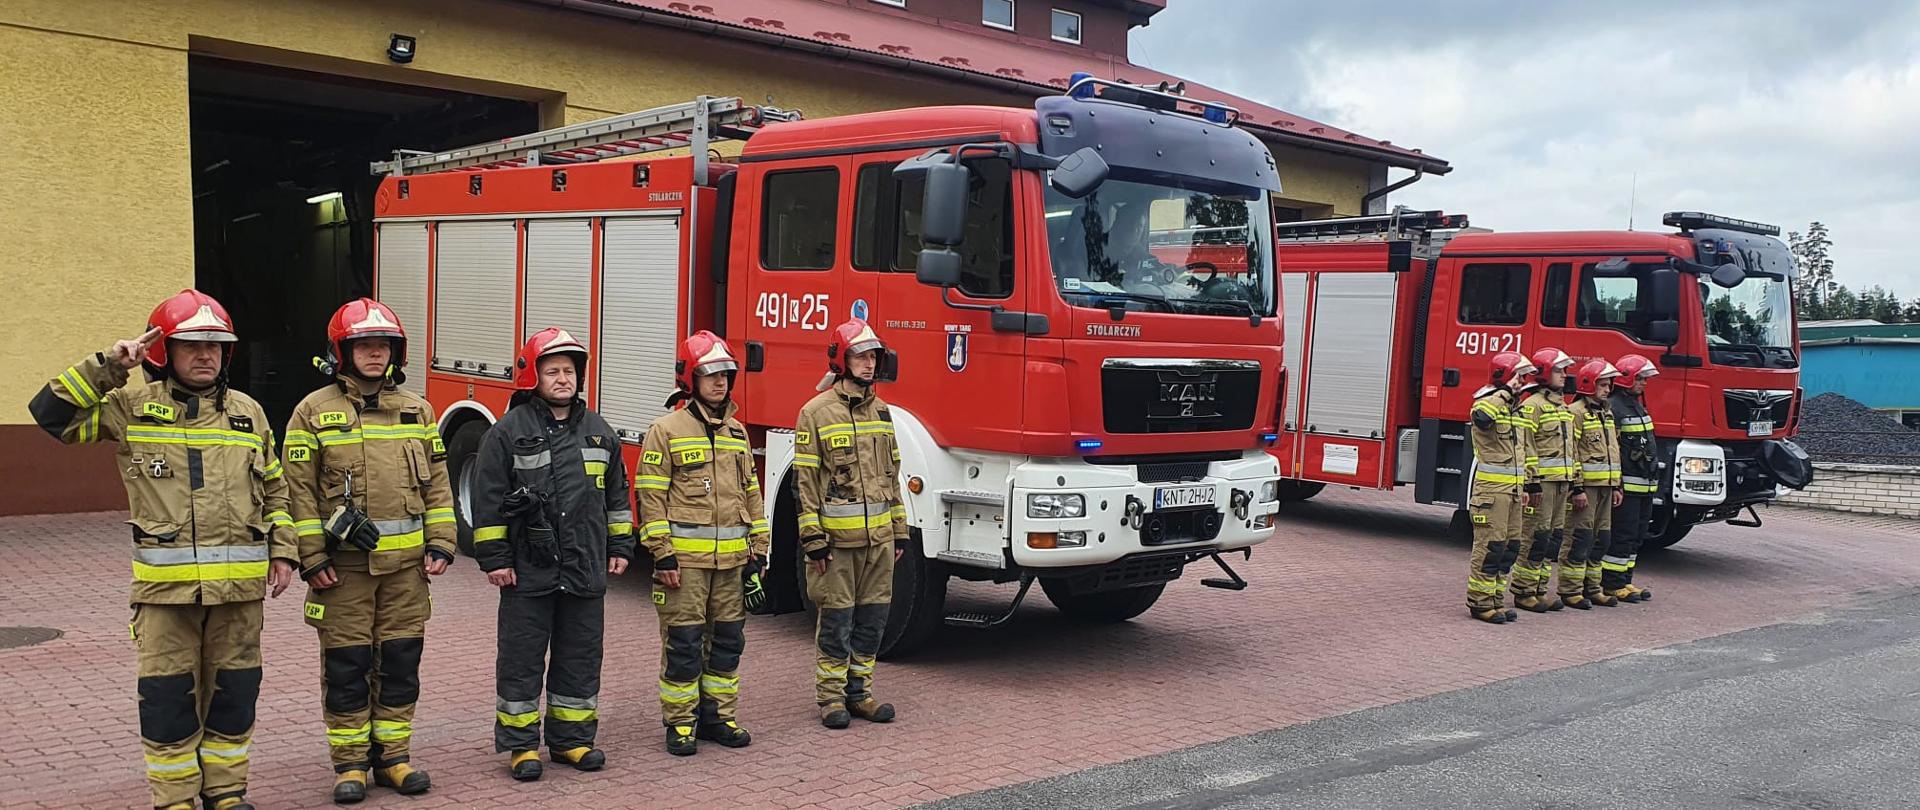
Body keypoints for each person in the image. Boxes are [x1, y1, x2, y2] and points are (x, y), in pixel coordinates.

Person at [27, 290, 295, 810]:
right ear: (163, 351)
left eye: (216, 346)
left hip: (239, 597)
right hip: (165, 597)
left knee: (234, 697)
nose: (205, 356)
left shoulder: (250, 414)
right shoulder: (130, 409)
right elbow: (50, 415)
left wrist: (283, 552)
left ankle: (226, 793)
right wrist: (110, 365)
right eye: (191, 345)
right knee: (169, 702)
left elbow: (276, 491)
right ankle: (174, 799)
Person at [282, 298, 454, 803]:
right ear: (343, 351)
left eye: (383, 345)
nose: (374, 354)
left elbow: (438, 486)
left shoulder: (417, 410)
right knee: (347, 668)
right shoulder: (312, 412)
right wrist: (311, 557)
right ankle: (350, 765)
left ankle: (394, 759)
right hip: (344, 573)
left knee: (400, 664)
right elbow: (298, 492)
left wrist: (442, 543)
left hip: (406, 573)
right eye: (364, 345)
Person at [469, 328, 634, 780]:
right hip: (528, 569)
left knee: (579, 657)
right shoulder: (508, 432)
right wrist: (496, 558)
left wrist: (620, 545)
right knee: (521, 659)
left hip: (583, 567)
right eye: (553, 371)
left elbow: (617, 496)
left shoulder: (599, 432)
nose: (563, 379)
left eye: (570, 371)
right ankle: (521, 746)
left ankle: (572, 742)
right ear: (533, 376)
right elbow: (488, 499)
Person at [634, 331, 769, 755]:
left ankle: (718, 717)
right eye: (710, 375)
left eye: (725, 375)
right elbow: (649, 498)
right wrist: (663, 555)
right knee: (684, 645)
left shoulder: (736, 432)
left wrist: (759, 548)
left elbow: (751, 492)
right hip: (685, 567)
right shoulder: (666, 430)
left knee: (727, 643)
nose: (719, 383)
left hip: (731, 565)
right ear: (690, 379)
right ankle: (679, 724)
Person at [792, 320, 910, 721]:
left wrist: (899, 533)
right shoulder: (815, 412)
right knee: (836, 622)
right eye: (861, 356)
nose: (869, 363)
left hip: (878, 542)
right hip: (837, 545)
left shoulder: (881, 411)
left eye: (873, 356)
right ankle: (831, 699)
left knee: (873, 621)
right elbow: (805, 482)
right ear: (842, 360)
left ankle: (861, 693)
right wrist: (813, 539)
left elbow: (891, 476)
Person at [1465, 351, 1536, 624]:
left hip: (1514, 493)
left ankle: (1495, 599)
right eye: (1518, 375)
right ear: (1504, 376)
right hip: (1491, 494)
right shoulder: (1486, 402)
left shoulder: (1515, 410)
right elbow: (1482, 417)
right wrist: (1505, 392)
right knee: (1490, 547)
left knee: (1509, 548)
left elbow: (1522, 453)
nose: (1524, 381)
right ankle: (1479, 603)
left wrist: (1527, 485)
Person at [1510, 348, 1578, 612]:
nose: (1565, 375)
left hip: (1562, 483)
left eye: (1565, 370)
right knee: (1535, 536)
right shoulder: (1532, 405)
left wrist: (1573, 481)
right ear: (1545, 372)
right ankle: (1523, 591)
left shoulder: (1561, 405)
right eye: (1559, 370)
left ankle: (1539, 590)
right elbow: (1526, 447)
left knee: (1552, 538)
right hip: (1544, 484)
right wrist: (1532, 483)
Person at [1561, 358, 1624, 609]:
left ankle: (1593, 588)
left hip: (1606, 488)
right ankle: (1570, 590)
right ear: (1589, 384)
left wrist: (1617, 485)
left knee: (1602, 539)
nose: (1608, 390)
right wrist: (1577, 488)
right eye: (1603, 385)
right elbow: (1572, 451)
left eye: (1609, 385)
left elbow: (1613, 451)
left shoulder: (1606, 413)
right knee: (1580, 538)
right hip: (1586, 488)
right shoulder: (1576, 412)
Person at [1605, 354, 1662, 604]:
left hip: (1644, 487)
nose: (1644, 383)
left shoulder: (1636, 405)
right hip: (1627, 487)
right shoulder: (1615, 407)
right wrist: (1616, 484)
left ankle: (1626, 581)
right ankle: (1612, 584)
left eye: (1645, 379)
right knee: (1622, 535)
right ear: (1627, 378)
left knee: (1637, 535)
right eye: (1640, 378)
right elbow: (1612, 449)